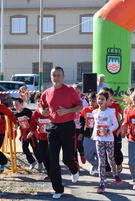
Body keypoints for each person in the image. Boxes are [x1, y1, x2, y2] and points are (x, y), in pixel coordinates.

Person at [40, 66, 82, 199]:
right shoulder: (46, 92)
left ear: (63, 77)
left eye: (58, 75)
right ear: (51, 77)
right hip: (52, 127)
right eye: (54, 75)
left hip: (67, 126)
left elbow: (80, 106)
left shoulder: (70, 91)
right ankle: (58, 189)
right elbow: (41, 107)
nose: (56, 78)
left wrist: (66, 111)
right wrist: (43, 112)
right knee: (53, 159)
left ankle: (74, 169)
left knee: (67, 158)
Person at [92, 91, 122, 193]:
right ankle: (102, 184)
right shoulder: (94, 112)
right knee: (101, 161)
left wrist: (108, 130)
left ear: (106, 101)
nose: (100, 101)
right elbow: (95, 125)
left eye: (102, 99)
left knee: (111, 159)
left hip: (109, 139)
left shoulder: (111, 111)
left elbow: (116, 125)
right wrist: (94, 135)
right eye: (98, 99)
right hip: (99, 140)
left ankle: (115, 174)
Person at [13, 98, 42, 170]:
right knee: (24, 148)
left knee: (35, 148)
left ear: (22, 104)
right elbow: (17, 124)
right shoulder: (16, 115)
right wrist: (15, 127)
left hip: (31, 132)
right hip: (24, 133)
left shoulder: (28, 111)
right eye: (14, 105)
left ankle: (40, 162)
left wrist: (28, 118)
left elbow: (33, 121)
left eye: (17, 105)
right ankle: (32, 162)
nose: (15, 107)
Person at [99, 87, 124, 174]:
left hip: (115, 132)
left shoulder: (116, 105)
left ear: (111, 96)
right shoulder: (100, 106)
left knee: (116, 151)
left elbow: (124, 115)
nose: (105, 97)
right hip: (103, 134)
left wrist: (120, 125)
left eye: (107, 95)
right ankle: (107, 168)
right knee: (104, 152)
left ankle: (119, 163)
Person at [29, 93, 51, 179]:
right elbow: (33, 124)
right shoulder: (36, 113)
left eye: (40, 101)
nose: (39, 103)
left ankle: (53, 173)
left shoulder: (50, 111)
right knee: (43, 156)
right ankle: (49, 173)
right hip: (42, 138)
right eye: (37, 101)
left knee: (51, 156)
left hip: (52, 138)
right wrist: (31, 131)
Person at [80, 92, 99, 175]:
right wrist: (81, 133)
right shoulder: (85, 109)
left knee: (99, 154)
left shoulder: (101, 109)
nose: (91, 102)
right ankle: (95, 164)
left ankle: (102, 169)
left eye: (94, 101)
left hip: (98, 136)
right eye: (90, 100)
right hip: (87, 135)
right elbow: (82, 122)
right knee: (87, 154)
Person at [72, 83, 89, 164]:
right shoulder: (68, 101)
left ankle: (82, 154)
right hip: (71, 126)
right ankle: (76, 164)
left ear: (81, 92)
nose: (76, 94)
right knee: (73, 146)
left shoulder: (84, 102)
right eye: (74, 92)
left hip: (80, 126)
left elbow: (87, 116)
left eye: (78, 92)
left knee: (79, 143)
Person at [0, 103, 16, 174]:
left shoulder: (2, 107)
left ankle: (3, 161)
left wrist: (15, 123)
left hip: (0, 132)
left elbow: (11, 115)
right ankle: (3, 162)